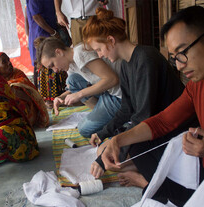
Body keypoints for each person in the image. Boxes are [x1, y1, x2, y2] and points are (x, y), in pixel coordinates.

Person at [100, 6, 204, 207]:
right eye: (174, 58)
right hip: (194, 154)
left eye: (182, 53)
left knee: (177, 199)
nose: (180, 65)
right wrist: (118, 140)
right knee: (137, 143)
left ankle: (148, 184)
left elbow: (145, 113)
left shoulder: (145, 58)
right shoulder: (195, 86)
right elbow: (163, 120)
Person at [82, 7, 193, 180]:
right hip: (155, 124)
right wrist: (103, 133)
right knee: (114, 147)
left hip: (175, 129)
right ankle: (142, 168)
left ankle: (146, 178)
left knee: (123, 151)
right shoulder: (126, 65)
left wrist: (109, 155)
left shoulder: (146, 58)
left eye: (99, 49)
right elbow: (126, 109)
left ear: (111, 40)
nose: (100, 55)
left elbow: (144, 116)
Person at [36, 36, 122, 137]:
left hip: (119, 96)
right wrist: (60, 97)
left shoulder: (80, 54)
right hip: (108, 91)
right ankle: (102, 114)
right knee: (72, 80)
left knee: (84, 129)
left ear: (59, 52)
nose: (55, 70)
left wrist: (79, 94)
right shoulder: (70, 63)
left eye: (53, 65)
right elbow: (72, 89)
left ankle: (118, 120)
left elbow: (112, 79)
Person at [0, 57, 39, 163]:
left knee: (2, 133)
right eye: (4, 62)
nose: (9, 64)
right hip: (19, 133)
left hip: (25, 144)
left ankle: (6, 154)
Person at [0, 52, 49, 128]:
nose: (9, 63)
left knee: (14, 89)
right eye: (4, 62)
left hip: (28, 112)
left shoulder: (17, 73)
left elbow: (29, 95)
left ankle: (22, 124)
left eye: (8, 60)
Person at [25, 0, 71, 86]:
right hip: (42, 34)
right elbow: (36, 16)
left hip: (51, 31)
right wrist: (53, 32)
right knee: (47, 69)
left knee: (59, 67)